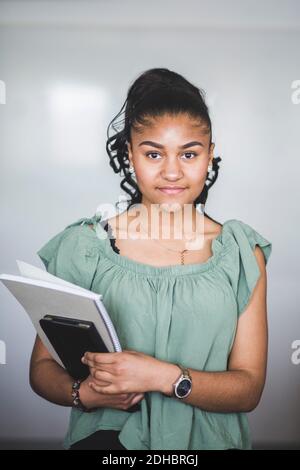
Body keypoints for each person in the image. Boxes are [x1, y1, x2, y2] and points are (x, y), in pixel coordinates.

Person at [30, 67, 272, 450]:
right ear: (130, 154)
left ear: (210, 155)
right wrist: (84, 394)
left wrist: (162, 376)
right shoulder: (86, 246)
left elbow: (248, 389)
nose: (172, 172)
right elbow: (42, 369)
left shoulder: (241, 254)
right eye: (154, 153)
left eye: (189, 153)